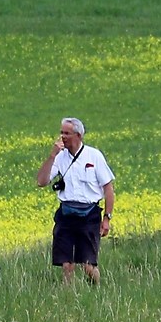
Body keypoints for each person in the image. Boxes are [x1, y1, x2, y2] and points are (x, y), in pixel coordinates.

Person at [35, 116, 114, 283]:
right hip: (66, 215)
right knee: (67, 264)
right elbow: (41, 181)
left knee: (87, 265)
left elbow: (108, 189)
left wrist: (107, 218)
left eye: (67, 133)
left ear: (78, 135)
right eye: (61, 132)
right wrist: (52, 156)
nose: (62, 137)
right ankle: (68, 298)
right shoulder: (59, 157)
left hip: (89, 216)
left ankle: (97, 289)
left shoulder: (94, 156)